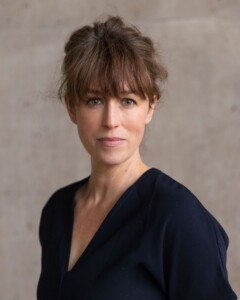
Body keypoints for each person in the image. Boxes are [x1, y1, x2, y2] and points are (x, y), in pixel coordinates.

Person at [37, 16, 237, 300]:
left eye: (127, 101)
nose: (111, 120)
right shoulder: (57, 211)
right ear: (72, 107)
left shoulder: (177, 216)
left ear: (150, 107)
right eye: (94, 100)